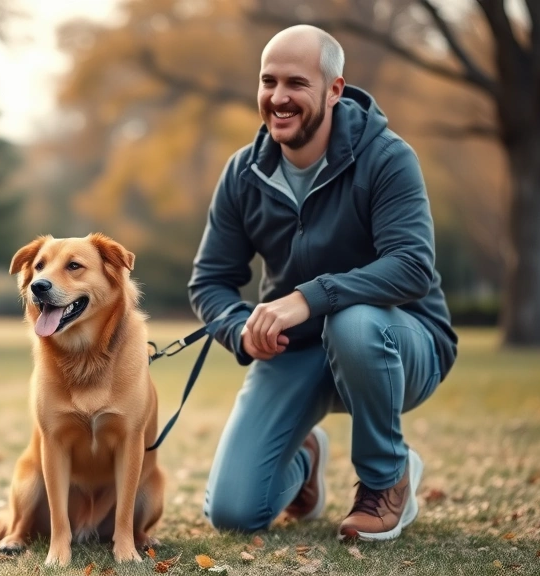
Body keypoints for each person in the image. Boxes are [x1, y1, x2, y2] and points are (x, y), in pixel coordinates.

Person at [187, 25, 458, 542]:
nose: (279, 97)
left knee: (352, 321)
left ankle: (385, 482)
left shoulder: (387, 157)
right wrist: (241, 329)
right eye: (268, 82)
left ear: (334, 89)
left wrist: (307, 298)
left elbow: (413, 265)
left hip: (400, 343)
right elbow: (211, 281)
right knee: (233, 512)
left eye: (296, 82)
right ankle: (305, 461)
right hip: (297, 351)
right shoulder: (243, 173)